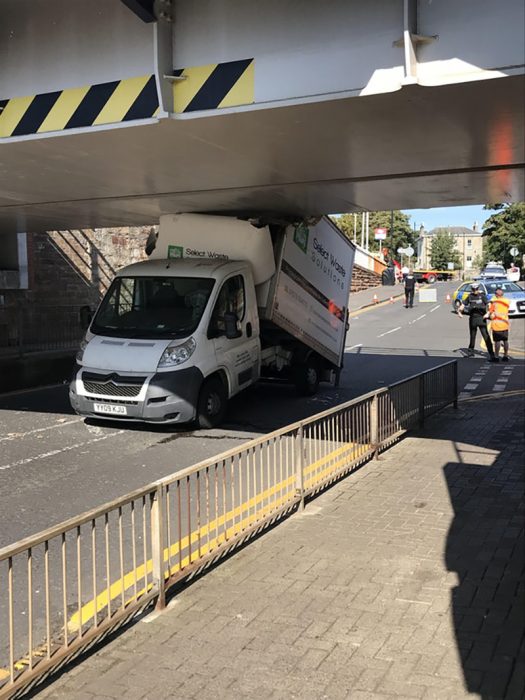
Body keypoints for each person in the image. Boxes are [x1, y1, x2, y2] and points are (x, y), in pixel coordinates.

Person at [458, 282, 498, 361]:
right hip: (473, 318)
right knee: (472, 336)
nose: (475, 290)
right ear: (472, 289)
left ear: (478, 289)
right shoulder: (469, 296)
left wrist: (488, 313)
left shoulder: (482, 296)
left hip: (481, 318)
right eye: (473, 289)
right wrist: (459, 312)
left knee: (486, 336)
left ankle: (491, 354)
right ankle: (470, 352)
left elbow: (489, 304)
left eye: (476, 289)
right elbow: (463, 305)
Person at [489, 285, 511, 361]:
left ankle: (496, 357)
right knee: (505, 341)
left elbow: (491, 314)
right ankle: (505, 356)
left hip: (497, 325)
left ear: (496, 295)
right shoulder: (507, 301)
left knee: (497, 342)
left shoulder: (494, 302)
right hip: (505, 324)